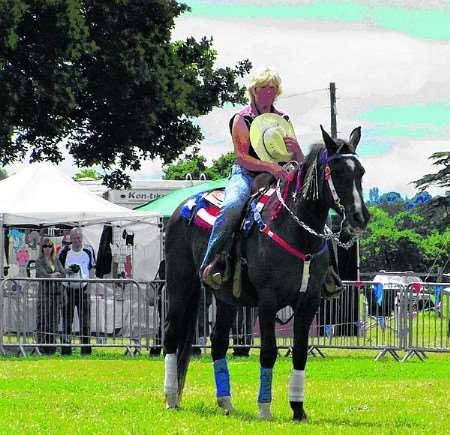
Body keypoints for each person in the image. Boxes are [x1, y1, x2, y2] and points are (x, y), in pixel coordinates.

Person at [200, 68, 303, 288]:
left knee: (310, 204)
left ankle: (326, 271)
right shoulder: (242, 118)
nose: (268, 92)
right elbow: (242, 157)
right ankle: (212, 261)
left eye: (272, 88)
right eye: (263, 88)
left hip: (280, 174)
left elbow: (297, 160)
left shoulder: (283, 120)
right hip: (246, 174)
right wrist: (271, 167)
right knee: (233, 206)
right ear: (254, 91)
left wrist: (298, 150)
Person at [59, 227, 96, 355]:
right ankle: (65, 349)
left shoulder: (88, 250)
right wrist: (66, 271)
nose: (76, 240)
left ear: (82, 238)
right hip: (67, 289)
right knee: (67, 322)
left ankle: (85, 350)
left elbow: (91, 269)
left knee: (85, 322)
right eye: (74, 238)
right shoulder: (64, 251)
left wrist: (90, 285)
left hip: (83, 289)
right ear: (71, 239)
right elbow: (59, 269)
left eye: (79, 238)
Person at [35, 238, 65, 355]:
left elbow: (63, 273)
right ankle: (41, 346)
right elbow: (41, 274)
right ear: (41, 248)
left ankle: (52, 346)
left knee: (54, 321)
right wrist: (52, 275)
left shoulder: (56, 260)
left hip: (56, 295)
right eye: (45, 246)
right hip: (44, 295)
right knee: (43, 320)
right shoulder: (39, 261)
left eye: (49, 246)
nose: (47, 248)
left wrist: (55, 275)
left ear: (52, 248)